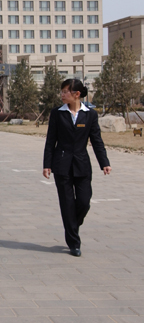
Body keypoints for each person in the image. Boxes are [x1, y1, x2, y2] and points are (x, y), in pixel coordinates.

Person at [43, 79, 111, 257]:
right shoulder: (57, 113)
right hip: (62, 165)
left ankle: (72, 225)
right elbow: (51, 141)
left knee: (83, 202)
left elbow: (96, 140)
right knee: (67, 205)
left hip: (82, 165)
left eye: (66, 91)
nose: (62, 94)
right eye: (62, 91)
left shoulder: (90, 115)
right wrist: (47, 165)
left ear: (77, 94)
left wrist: (104, 162)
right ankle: (74, 243)